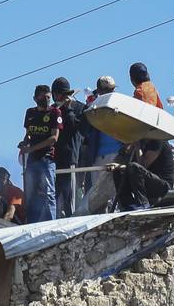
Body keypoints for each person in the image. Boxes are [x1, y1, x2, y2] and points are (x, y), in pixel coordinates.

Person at [19, 84, 62, 224]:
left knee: (48, 193)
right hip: (32, 160)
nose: (46, 100)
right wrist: (24, 143)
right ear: (35, 98)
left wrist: (32, 148)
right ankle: (32, 223)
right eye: (43, 97)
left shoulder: (55, 112)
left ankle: (51, 223)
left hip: (47, 159)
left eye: (48, 97)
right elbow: (28, 134)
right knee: (31, 193)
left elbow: (54, 138)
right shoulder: (30, 113)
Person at [82, 76, 125, 213]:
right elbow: (85, 128)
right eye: (108, 90)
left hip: (117, 154)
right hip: (98, 156)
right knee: (99, 194)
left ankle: (117, 217)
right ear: (100, 91)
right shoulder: (94, 105)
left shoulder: (119, 103)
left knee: (117, 189)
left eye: (112, 89)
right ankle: (102, 219)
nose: (111, 92)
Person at [51, 77, 87, 218]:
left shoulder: (80, 108)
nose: (58, 97)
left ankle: (70, 217)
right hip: (54, 158)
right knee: (55, 192)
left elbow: (77, 128)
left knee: (70, 193)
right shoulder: (52, 110)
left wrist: (68, 109)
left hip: (71, 157)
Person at [110, 137, 174, 210]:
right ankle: (127, 204)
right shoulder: (142, 142)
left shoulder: (157, 140)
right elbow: (120, 160)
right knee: (117, 171)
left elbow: (143, 165)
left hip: (163, 186)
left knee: (133, 167)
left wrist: (137, 145)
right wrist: (126, 150)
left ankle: (143, 203)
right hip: (147, 181)